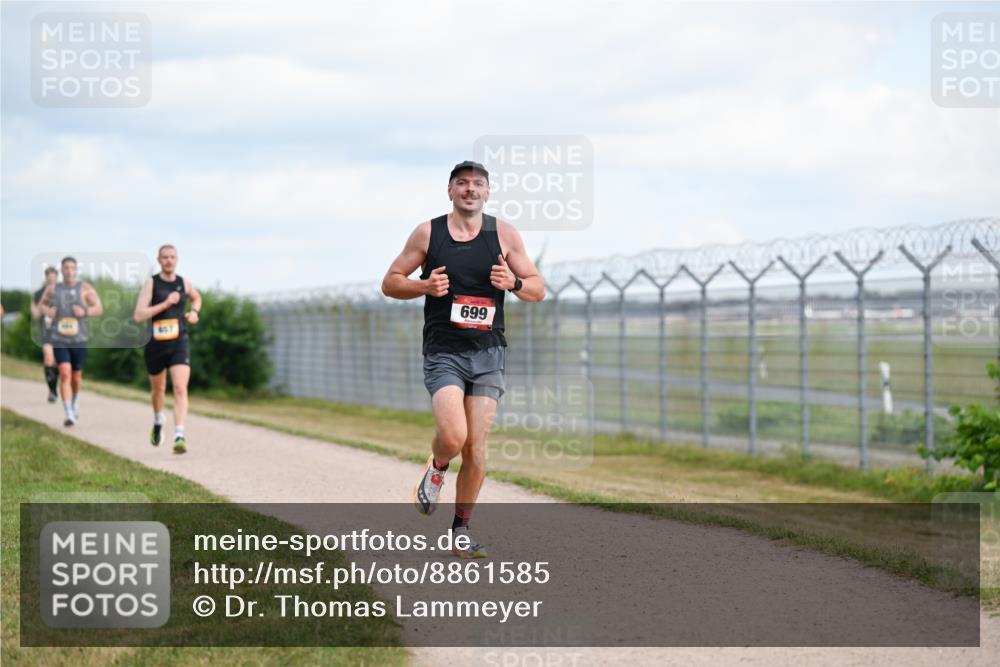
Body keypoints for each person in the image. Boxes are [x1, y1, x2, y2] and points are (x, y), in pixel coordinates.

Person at [381, 160, 545, 558]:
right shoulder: (428, 232)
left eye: (478, 184)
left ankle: (461, 530)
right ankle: (437, 467)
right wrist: (423, 285)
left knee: (476, 448)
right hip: (444, 352)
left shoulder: (504, 234)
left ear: (488, 192)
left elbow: (538, 288)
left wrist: (515, 282)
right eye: (462, 184)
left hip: (489, 352)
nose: (470, 190)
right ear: (450, 190)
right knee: (454, 437)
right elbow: (390, 282)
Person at [133, 244, 201, 454]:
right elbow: (139, 315)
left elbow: (197, 298)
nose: (169, 260)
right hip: (155, 343)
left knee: (180, 388)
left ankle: (179, 435)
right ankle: (157, 420)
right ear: (159, 260)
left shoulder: (184, 282)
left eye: (172, 257)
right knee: (158, 390)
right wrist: (164, 304)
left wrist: (194, 312)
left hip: (179, 341)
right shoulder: (151, 283)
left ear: (177, 259)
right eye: (165, 257)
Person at [40, 256, 104, 426]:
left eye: (71, 268)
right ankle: (68, 412)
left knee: (76, 377)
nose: (68, 271)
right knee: (65, 372)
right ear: (61, 271)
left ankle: (75, 399)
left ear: (76, 270)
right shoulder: (53, 290)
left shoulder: (84, 288)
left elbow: (98, 308)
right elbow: (42, 305)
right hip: (59, 339)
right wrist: (49, 311)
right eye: (66, 268)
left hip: (79, 339)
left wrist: (84, 312)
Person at [31, 266, 60, 401]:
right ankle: (52, 391)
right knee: (48, 358)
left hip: (62, 331)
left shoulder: (63, 292)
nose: (51, 281)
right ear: (46, 278)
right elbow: (36, 315)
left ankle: (56, 385)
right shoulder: (38, 294)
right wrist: (45, 309)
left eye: (53, 279)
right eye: (49, 279)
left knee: (59, 362)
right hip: (47, 330)